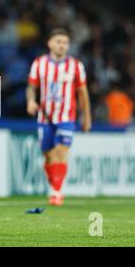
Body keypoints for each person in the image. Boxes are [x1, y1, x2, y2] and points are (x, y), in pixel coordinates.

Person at [26, 28, 91, 206]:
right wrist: (31, 101)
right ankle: (55, 186)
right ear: (50, 43)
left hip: (66, 116)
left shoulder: (76, 66)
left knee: (61, 152)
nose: (62, 45)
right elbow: (31, 86)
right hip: (45, 117)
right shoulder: (39, 63)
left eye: (65, 42)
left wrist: (87, 117)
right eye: (58, 41)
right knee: (48, 156)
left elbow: (82, 93)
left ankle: (56, 192)